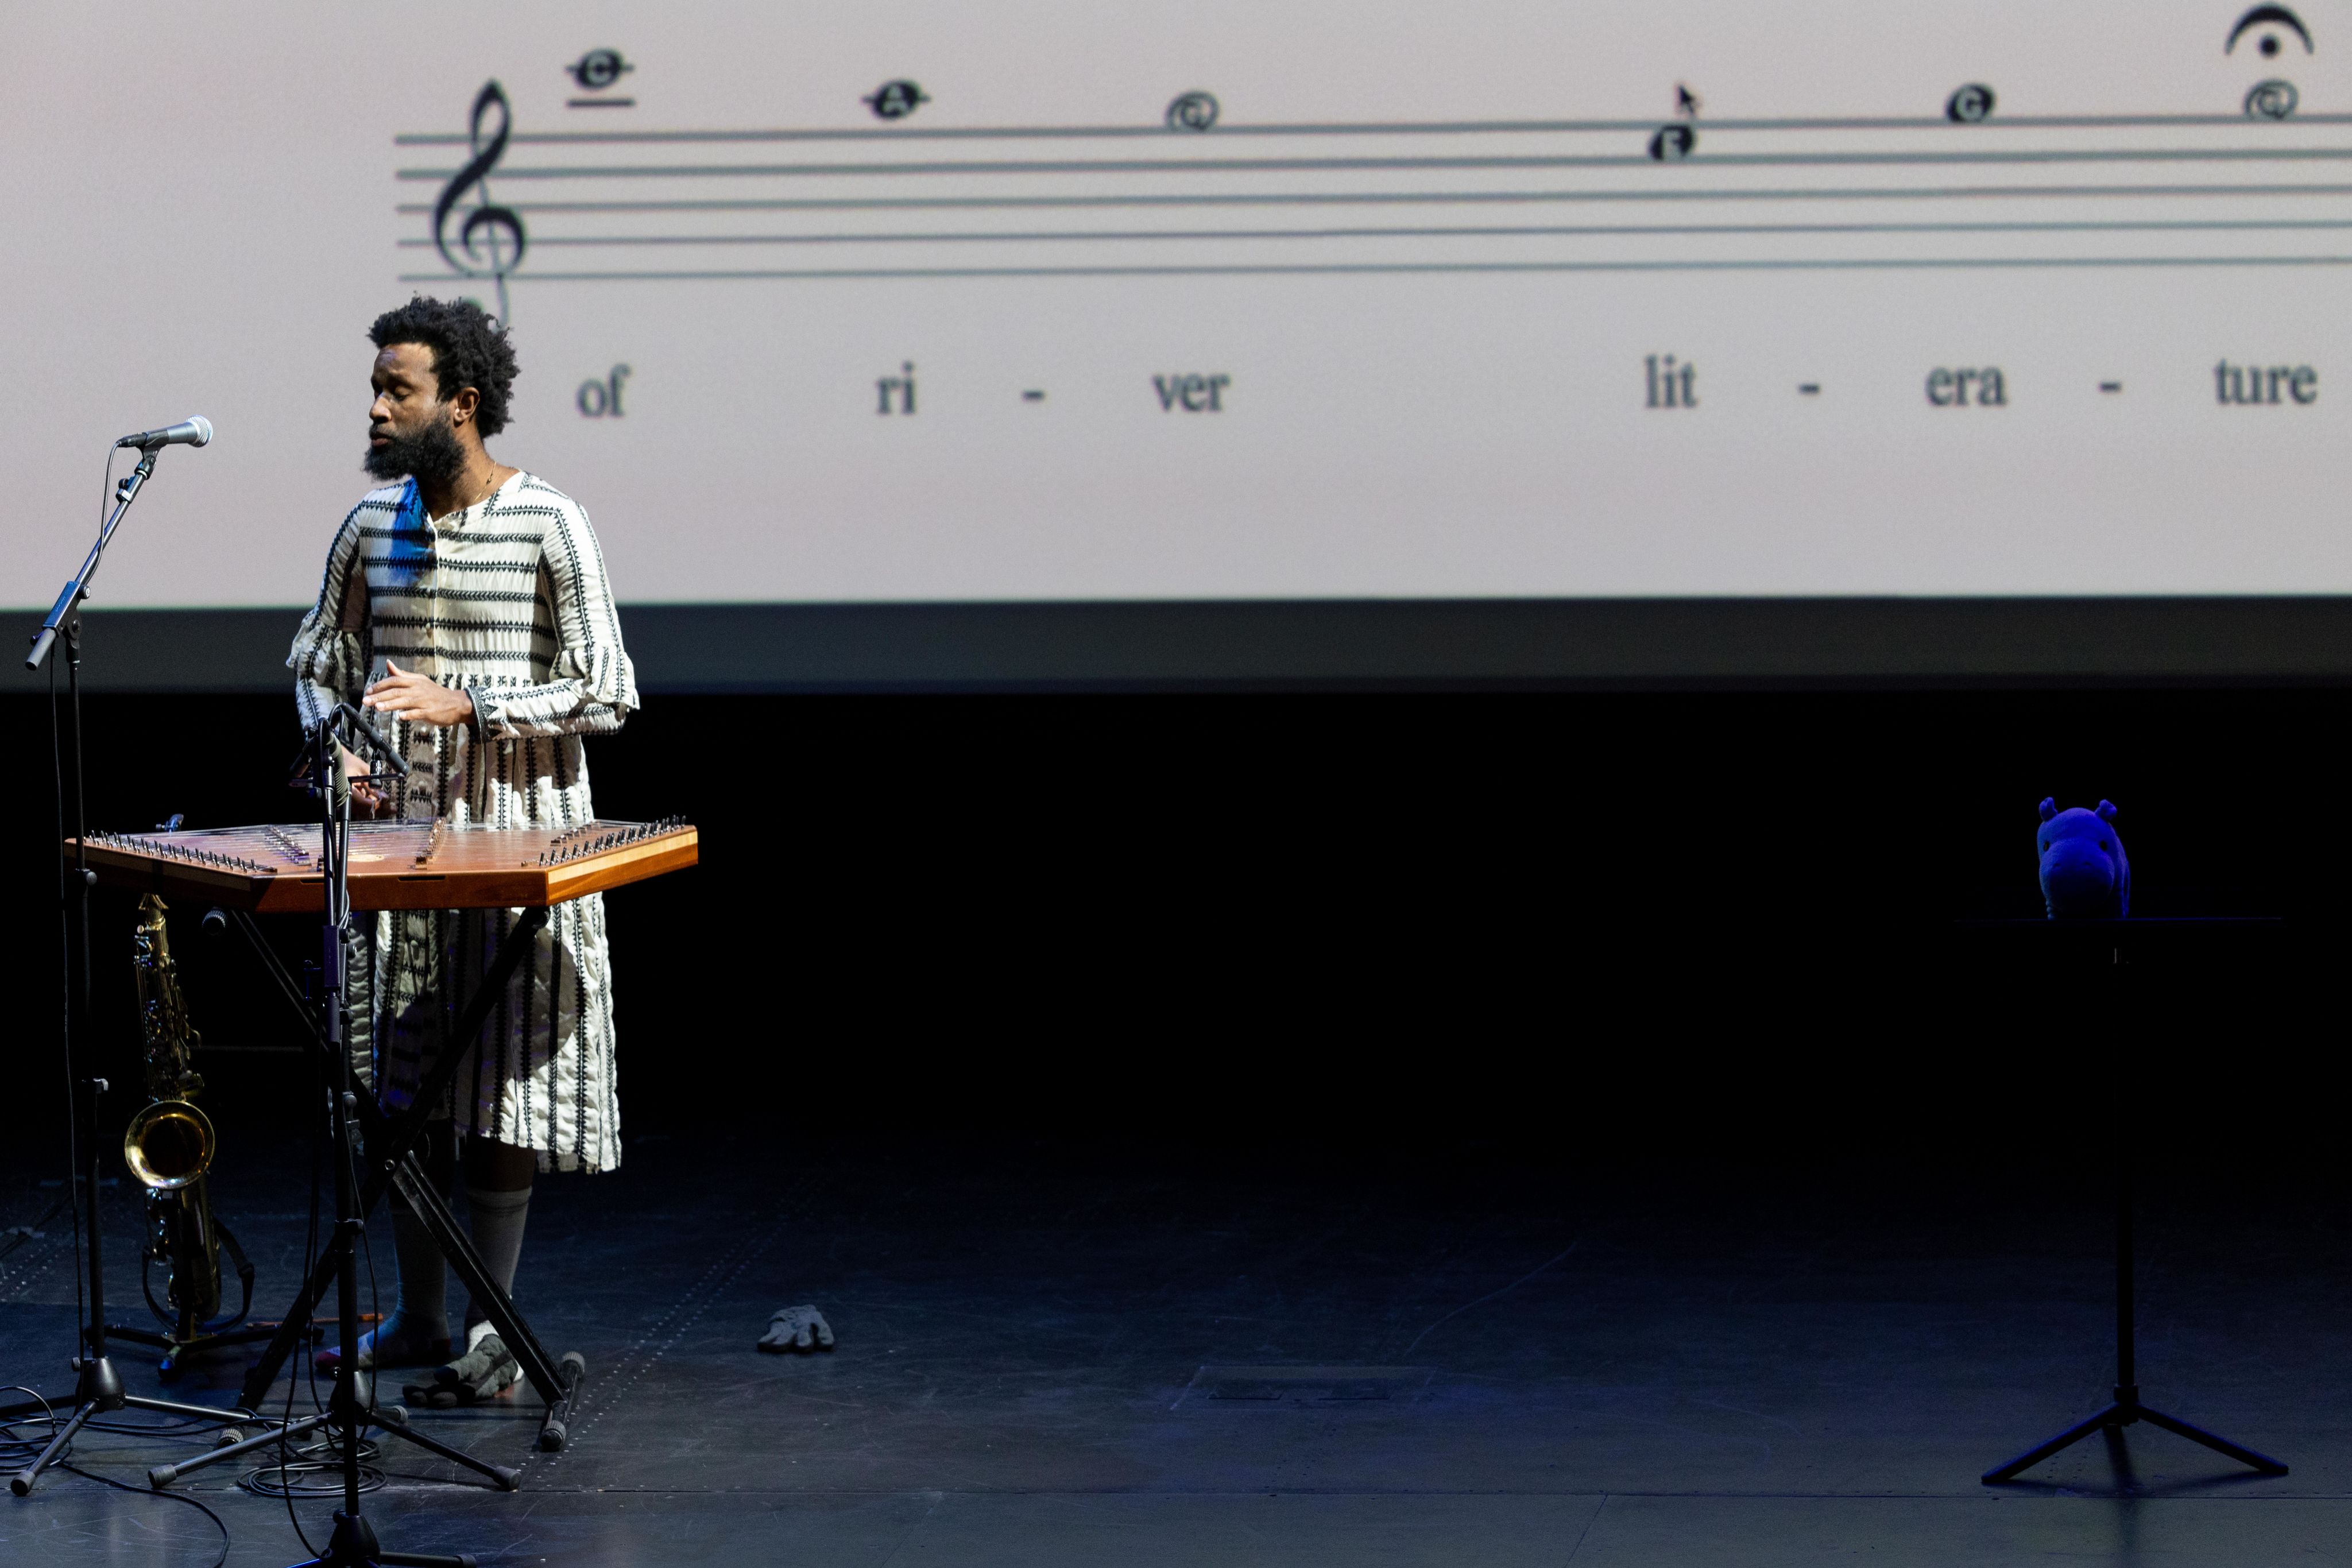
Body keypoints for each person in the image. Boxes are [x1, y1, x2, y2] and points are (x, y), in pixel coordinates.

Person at [289, 296, 638, 1401]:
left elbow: (608, 689)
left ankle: (494, 1331)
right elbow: (318, 667)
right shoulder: (367, 527)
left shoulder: (550, 522)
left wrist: (471, 705)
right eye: (375, 388)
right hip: (394, 853)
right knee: (397, 1090)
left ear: (462, 404)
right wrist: (339, 744)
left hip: (516, 843)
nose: (377, 408)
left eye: (398, 390)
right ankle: (422, 1322)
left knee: (499, 1088)